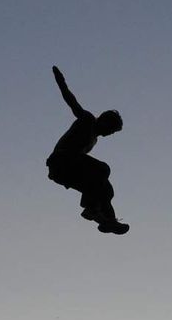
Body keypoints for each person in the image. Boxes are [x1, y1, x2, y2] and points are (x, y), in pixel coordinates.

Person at [46, 65, 129, 234]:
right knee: (103, 169)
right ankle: (91, 208)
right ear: (104, 121)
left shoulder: (94, 139)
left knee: (106, 190)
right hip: (61, 161)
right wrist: (61, 81)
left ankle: (108, 221)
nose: (108, 135)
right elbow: (71, 102)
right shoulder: (87, 120)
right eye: (110, 130)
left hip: (69, 171)